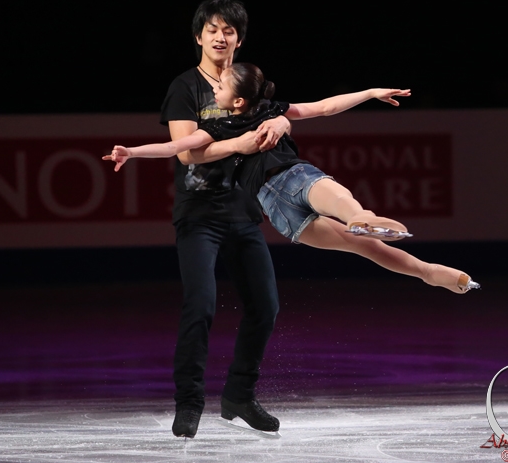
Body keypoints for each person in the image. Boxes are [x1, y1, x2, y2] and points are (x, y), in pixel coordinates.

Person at [105, 63, 480, 294]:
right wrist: (132, 152)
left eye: (220, 86)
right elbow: (176, 148)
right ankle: (369, 225)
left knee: (365, 245)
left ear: (238, 100)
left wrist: (368, 92)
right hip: (288, 188)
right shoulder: (228, 125)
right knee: (356, 224)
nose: (214, 89)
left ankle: (425, 269)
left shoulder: (252, 117)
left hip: (283, 203)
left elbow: (325, 107)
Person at [154, 0, 287, 438]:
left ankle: (239, 396)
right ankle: (189, 403)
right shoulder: (185, 87)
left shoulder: (249, 83)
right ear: (198, 37)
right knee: (201, 306)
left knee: (265, 306)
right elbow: (186, 152)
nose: (220, 37)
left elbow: (287, 114)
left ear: (239, 39)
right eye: (212, 29)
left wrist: (282, 124)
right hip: (199, 216)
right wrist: (239, 144)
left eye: (228, 30)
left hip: (243, 213)